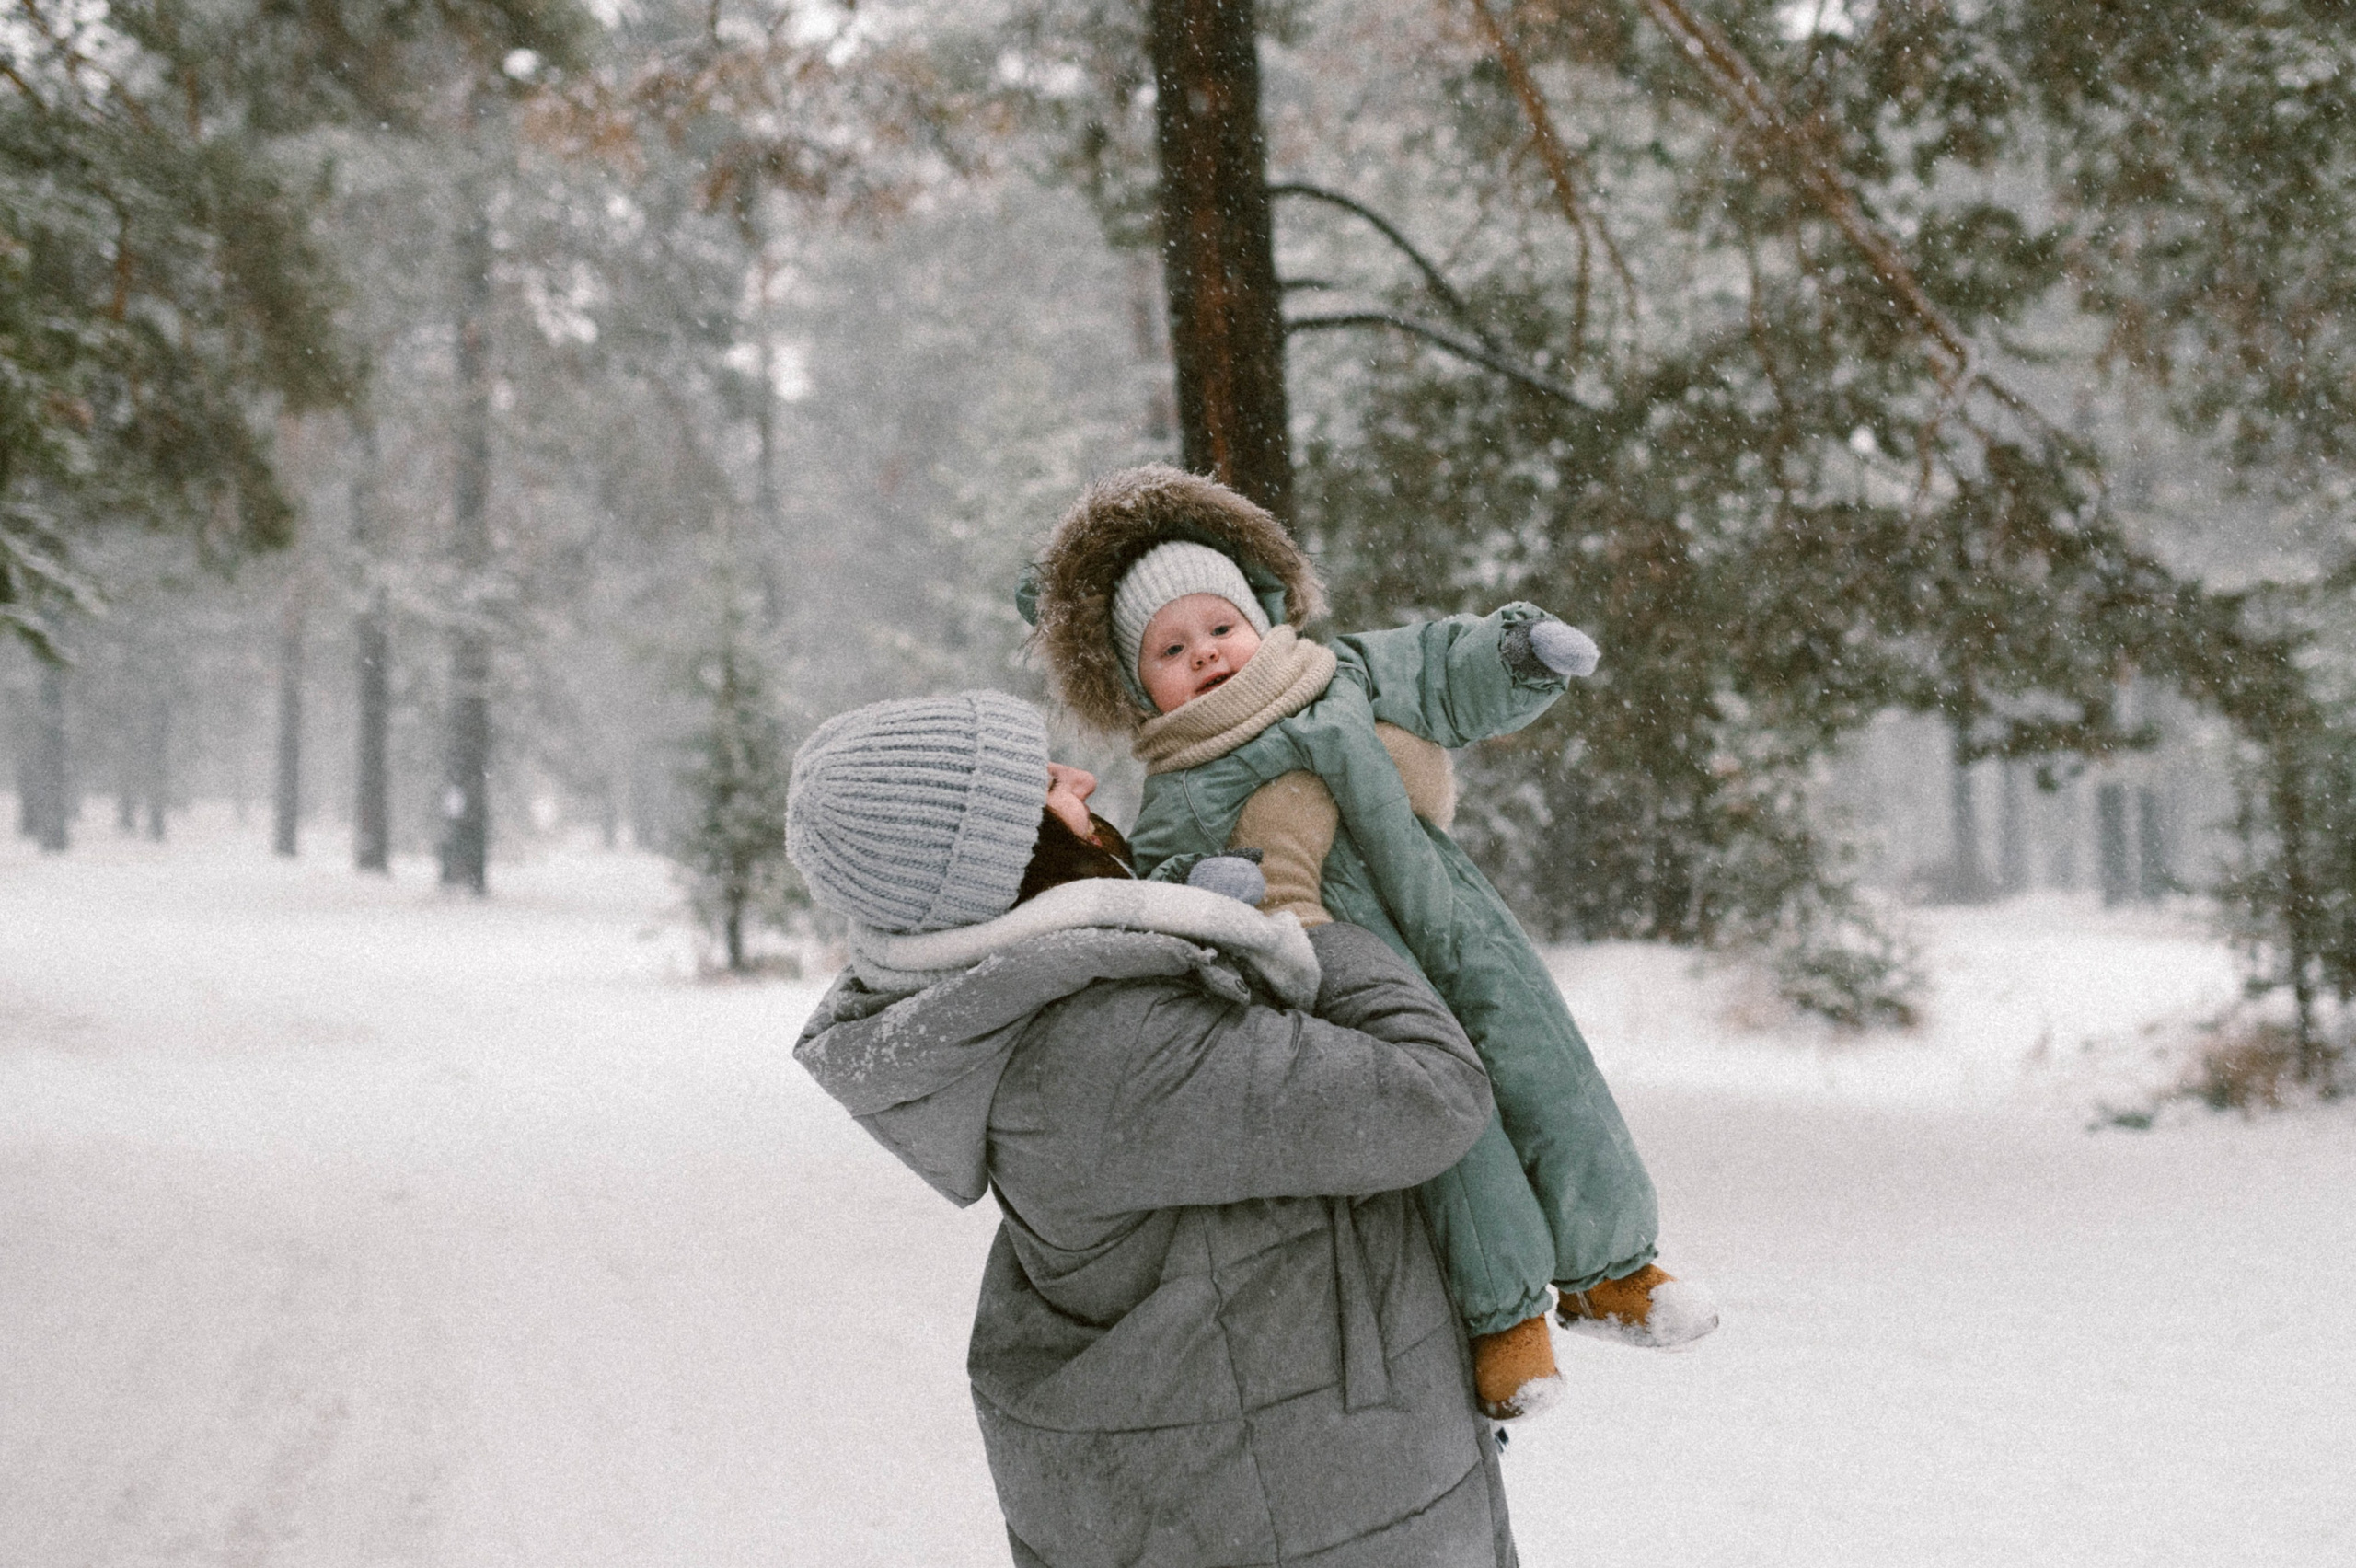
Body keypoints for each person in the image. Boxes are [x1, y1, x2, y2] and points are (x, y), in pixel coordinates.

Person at [1022, 465, 1716, 1420]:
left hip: (1458, 920)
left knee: (1547, 1071)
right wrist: (1210, 889)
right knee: (1452, 1128)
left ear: (1261, 617)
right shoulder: (1181, 779)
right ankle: (1504, 1318)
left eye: (1220, 627)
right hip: (1357, 970)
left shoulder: (1342, 672)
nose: (1209, 655)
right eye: (1172, 650)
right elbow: (1173, 877)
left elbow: (1440, 668)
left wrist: (1514, 655)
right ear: (1137, 684)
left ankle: (1613, 1268)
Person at [788, 690, 1523, 1568]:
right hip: (1296, 1510)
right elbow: (1430, 1097)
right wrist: (1309, 916)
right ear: (998, 859)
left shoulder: (1044, 1015)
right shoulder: (1103, 1050)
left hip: (1258, 1486)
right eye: (1042, 782)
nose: (1082, 778)